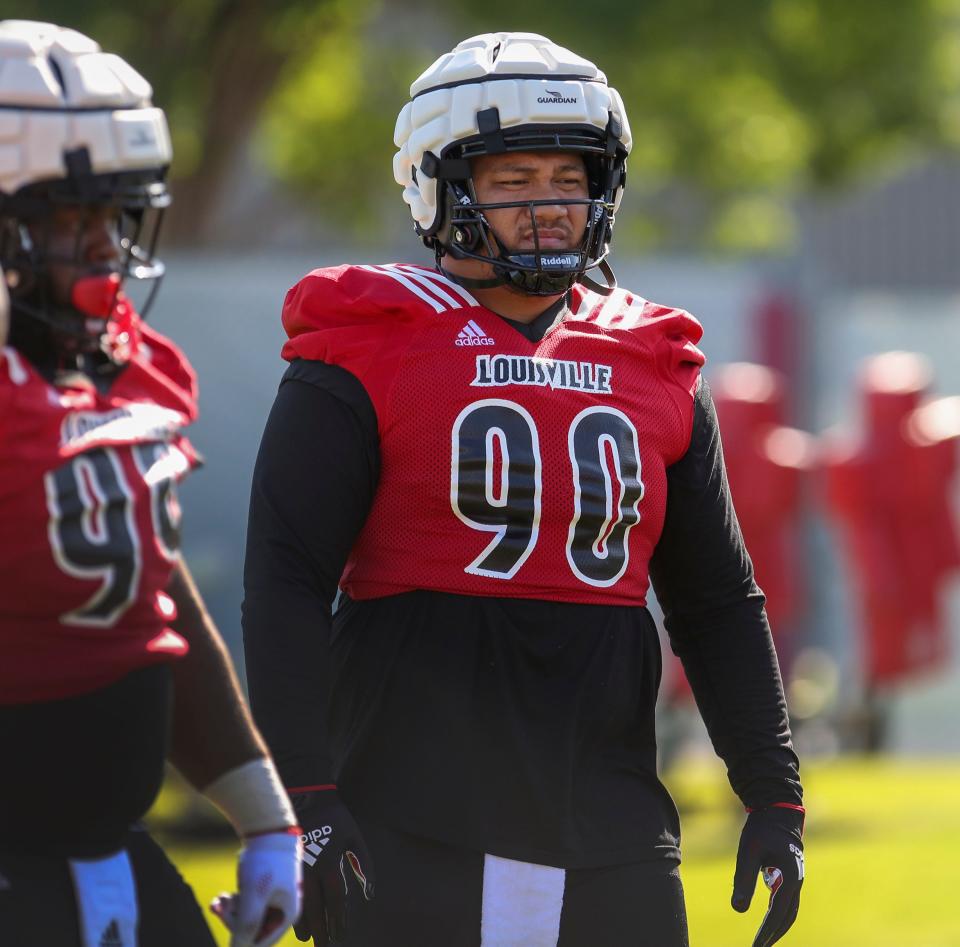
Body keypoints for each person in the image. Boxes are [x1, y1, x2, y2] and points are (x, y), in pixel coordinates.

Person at [243, 30, 804, 947]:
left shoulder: (654, 356)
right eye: (512, 181)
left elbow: (715, 601)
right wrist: (303, 790)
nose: (548, 206)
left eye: (568, 177)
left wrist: (773, 789)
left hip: (611, 823)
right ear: (438, 185)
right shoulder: (368, 338)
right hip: (410, 815)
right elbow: (286, 582)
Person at [0, 20, 301, 947]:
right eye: (64, 221)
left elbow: (148, 591)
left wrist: (263, 813)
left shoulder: (124, 367)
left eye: (111, 218)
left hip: (112, 856)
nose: (99, 251)